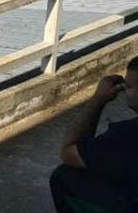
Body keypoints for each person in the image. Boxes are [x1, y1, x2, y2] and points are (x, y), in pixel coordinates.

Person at [51, 56, 138, 213]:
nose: (125, 90)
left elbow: (69, 152)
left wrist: (98, 99)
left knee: (63, 176)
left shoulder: (125, 135)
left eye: (129, 86)